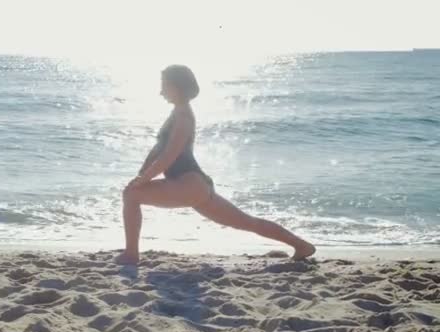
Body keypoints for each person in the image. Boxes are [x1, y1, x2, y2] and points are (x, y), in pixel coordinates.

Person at [115, 65, 316, 265]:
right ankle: (302, 245)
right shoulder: (178, 113)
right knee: (247, 222)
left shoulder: (183, 117)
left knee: (131, 195)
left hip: (188, 184)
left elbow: (169, 154)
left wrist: (144, 178)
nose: (161, 92)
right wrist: (142, 174)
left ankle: (131, 254)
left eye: (164, 86)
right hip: (195, 186)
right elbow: (159, 149)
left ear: (177, 87)